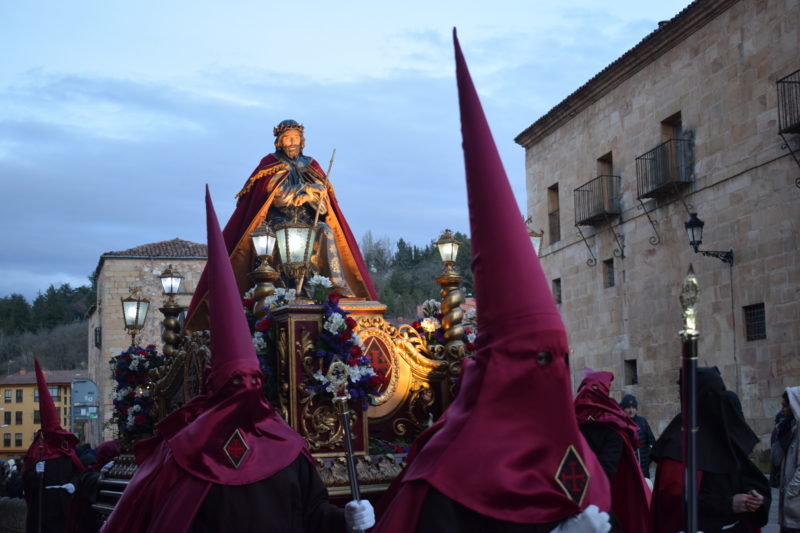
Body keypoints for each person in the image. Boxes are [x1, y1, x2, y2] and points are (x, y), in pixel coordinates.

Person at [372, 30, 612, 533]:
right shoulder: (445, 474)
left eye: (557, 358)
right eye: (535, 359)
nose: (550, 372)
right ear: (495, 367)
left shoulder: (586, 471)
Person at [100, 187, 374, 533]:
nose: (245, 389)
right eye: (236, 382)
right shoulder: (185, 453)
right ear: (214, 386)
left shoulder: (286, 448)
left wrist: (346, 520)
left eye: (253, 381)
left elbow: (314, 514)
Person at [184, 120, 377, 332]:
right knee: (279, 238)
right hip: (279, 222)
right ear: (279, 142)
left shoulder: (312, 166)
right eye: (287, 138)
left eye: (295, 138)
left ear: (302, 141)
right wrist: (306, 191)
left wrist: (318, 195)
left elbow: (323, 209)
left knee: (326, 231)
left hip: (307, 222)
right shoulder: (270, 164)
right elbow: (279, 197)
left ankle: (334, 285)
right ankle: (282, 287)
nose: (292, 142)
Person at [651, 367, 770, 533]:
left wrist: (753, 496)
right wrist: (728, 504)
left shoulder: (724, 430)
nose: (720, 397)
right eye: (714, 392)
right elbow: (676, 500)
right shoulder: (678, 441)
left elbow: (747, 476)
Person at [575, 371, 652, 533]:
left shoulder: (571, 425)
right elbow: (607, 469)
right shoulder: (614, 427)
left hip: (574, 501)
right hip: (598, 502)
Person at [22, 358, 84, 533]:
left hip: (64, 504)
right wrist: (35, 473)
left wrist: (72, 485)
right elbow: (25, 482)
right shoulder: (36, 451)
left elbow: (79, 471)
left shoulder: (66, 449)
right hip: (43, 508)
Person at [778, 387, 800, 532]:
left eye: (786, 405)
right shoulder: (792, 428)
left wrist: (789, 493)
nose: (783, 409)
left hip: (796, 506)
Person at [619, 393, 656, 479]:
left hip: (643, 471)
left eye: (633, 408)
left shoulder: (642, 422)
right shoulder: (620, 424)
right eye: (628, 408)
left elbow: (652, 442)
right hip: (627, 473)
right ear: (623, 409)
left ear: (636, 409)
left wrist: (647, 460)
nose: (631, 410)